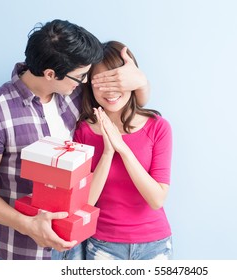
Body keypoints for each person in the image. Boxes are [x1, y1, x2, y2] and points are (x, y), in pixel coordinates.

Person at [0, 20, 150, 260]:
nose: (85, 82)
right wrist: (27, 224)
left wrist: (141, 81)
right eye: (81, 76)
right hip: (24, 251)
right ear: (50, 74)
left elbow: (128, 107)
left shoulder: (72, 95)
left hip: (76, 248)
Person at [74, 41, 173, 260]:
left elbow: (157, 199)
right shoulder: (83, 131)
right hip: (103, 245)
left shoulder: (158, 127)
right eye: (101, 82)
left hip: (154, 245)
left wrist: (123, 149)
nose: (110, 91)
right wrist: (108, 152)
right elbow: (85, 203)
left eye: (116, 81)